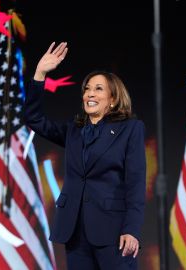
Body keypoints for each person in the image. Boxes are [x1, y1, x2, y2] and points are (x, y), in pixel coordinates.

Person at [24, 41, 146, 270]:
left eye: (98, 89)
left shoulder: (131, 129)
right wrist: (40, 74)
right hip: (75, 233)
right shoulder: (74, 131)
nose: (90, 93)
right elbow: (34, 119)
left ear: (113, 99)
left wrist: (132, 230)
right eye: (87, 89)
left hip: (114, 233)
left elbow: (136, 184)